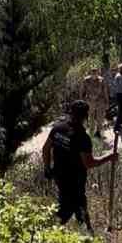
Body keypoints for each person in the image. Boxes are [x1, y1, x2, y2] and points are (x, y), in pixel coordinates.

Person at [42, 100, 116, 233]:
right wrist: (109, 157)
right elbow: (89, 163)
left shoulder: (58, 129)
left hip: (58, 175)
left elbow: (45, 149)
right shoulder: (82, 137)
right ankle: (46, 232)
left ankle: (87, 232)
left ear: (71, 113)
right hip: (74, 180)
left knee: (80, 204)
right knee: (67, 210)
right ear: (86, 117)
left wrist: (47, 168)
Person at [82, 68, 107, 134]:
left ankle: (98, 131)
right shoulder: (86, 80)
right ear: (90, 73)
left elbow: (105, 91)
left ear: (98, 73)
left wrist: (107, 101)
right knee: (90, 117)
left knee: (100, 117)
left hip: (100, 101)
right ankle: (91, 131)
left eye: (95, 72)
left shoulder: (102, 80)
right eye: (93, 72)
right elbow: (82, 91)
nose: (94, 74)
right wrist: (82, 101)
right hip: (90, 101)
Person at [109, 63, 122, 132]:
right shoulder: (119, 76)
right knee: (120, 112)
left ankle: (120, 125)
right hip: (120, 95)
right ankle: (116, 127)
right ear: (121, 69)